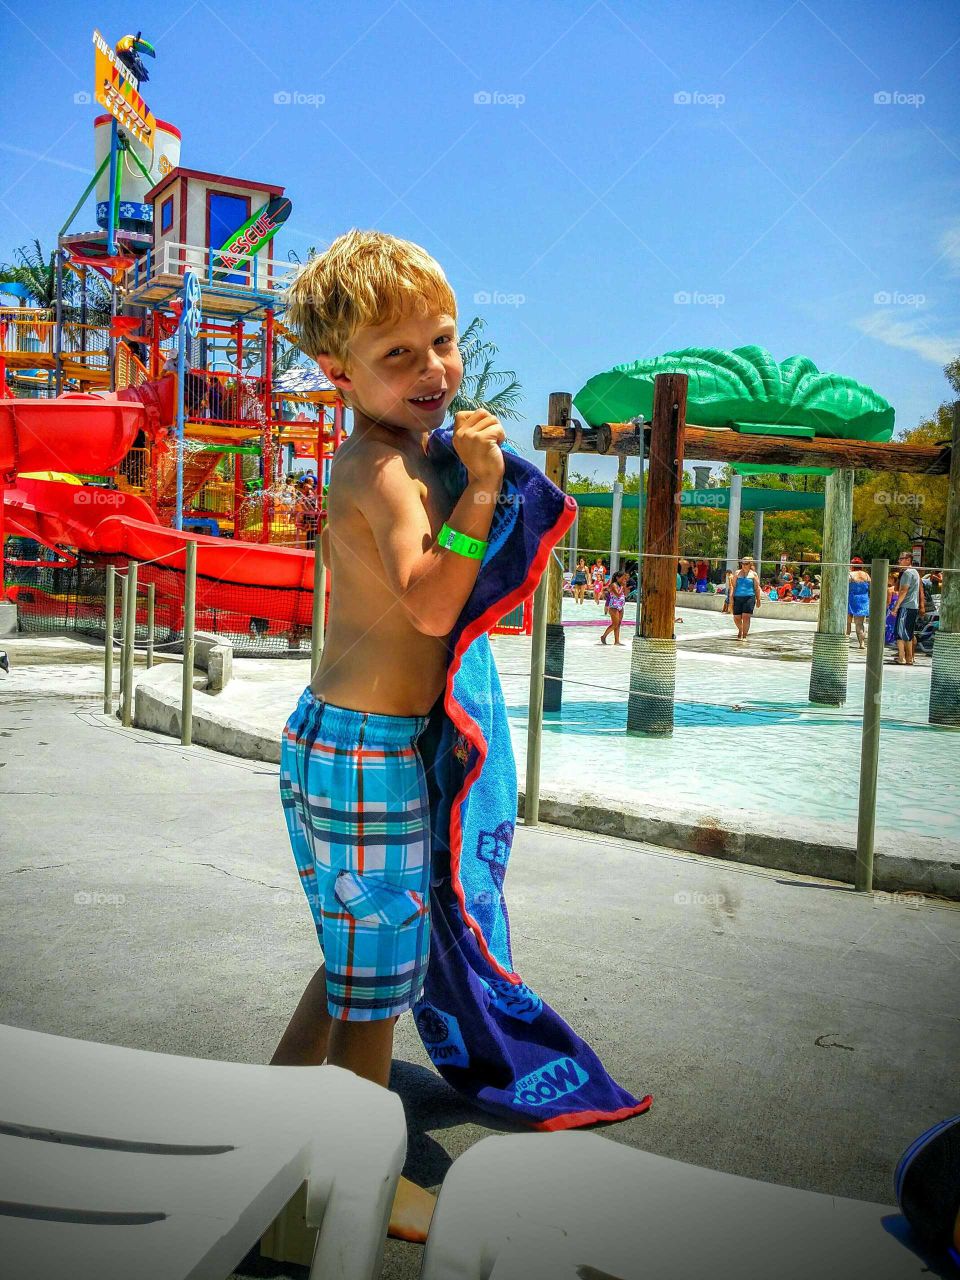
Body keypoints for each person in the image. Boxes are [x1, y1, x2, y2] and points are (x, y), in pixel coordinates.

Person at [271, 229, 506, 1242]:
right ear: (339, 371)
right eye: (397, 355)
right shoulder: (379, 466)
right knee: (374, 991)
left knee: (351, 954)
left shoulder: (403, 454)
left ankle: (267, 1128)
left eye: (441, 343)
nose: (432, 370)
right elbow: (423, 602)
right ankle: (351, 1182)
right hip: (364, 752)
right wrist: (487, 492)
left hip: (350, 740)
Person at [890, 551, 924, 665]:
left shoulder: (907, 573)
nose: (899, 561)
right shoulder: (915, 572)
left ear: (908, 560)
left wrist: (896, 607)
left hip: (905, 606)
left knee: (900, 634)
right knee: (908, 633)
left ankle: (901, 657)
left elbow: (903, 590)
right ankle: (909, 658)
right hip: (913, 607)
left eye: (901, 559)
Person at [730, 555, 762, 640]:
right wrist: (731, 598)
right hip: (738, 597)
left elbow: (757, 588)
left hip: (749, 597)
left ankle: (744, 636)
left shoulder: (753, 574)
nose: (744, 565)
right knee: (736, 617)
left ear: (750, 564)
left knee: (746, 617)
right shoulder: (737, 573)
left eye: (746, 563)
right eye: (742, 563)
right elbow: (733, 586)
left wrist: (758, 599)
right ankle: (741, 629)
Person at [847, 558, 871, 649]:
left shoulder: (850, 574)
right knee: (860, 624)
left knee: (847, 622)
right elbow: (870, 588)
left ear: (852, 565)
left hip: (851, 599)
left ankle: (845, 642)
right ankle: (862, 644)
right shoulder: (867, 575)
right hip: (863, 600)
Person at [600, 571, 627, 645]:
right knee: (615, 624)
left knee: (618, 624)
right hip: (614, 606)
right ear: (617, 578)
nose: (624, 580)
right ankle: (604, 636)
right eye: (623, 578)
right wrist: (622, 586)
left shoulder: (621, 585)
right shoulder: (613, 585)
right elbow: (618, 594)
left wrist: (624, 587)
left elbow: (626, 594)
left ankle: (617, 641)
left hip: (621, 606)